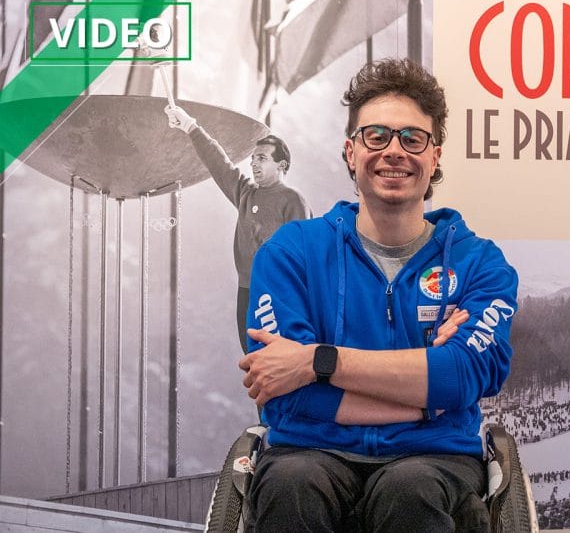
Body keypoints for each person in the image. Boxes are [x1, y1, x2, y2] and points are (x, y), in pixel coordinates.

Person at [237, 58, 518, 532]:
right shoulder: (289, 253)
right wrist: (427, 400)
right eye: (376, 136)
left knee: (410, 490)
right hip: (308, 452)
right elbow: (284, 397)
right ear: (351, 152)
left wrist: (317, 361)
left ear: (435, 156)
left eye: (412, 138)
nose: (394, 151)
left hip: (434, 459)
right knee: (291, 484)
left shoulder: (480, 263)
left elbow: (464, 375)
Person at [164, 105, 311, 353]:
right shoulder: (246, 193)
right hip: (247, 290)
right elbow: (219, 163)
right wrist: (189, 125)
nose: (254, 163)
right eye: (253, 159)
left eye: (262, 158)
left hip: (278, 294)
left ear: (281, 164)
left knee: (280, 359)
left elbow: (304, 257)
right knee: (253, 358)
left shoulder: (293, 201)